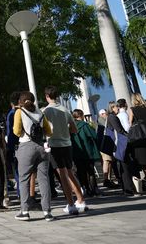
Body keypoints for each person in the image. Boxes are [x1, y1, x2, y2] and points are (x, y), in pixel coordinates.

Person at [43, 86, 87, 214]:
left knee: (63, 176)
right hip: (67, 144)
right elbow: (74, 129)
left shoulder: (46, 111)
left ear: (46, 96)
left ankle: (70, 204)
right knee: (70, 173)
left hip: (54, 145)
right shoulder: (65, 109)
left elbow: (44, 129)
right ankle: (81, 200)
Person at [11, 91, 51, 222]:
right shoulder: (40, 112)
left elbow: (16, 132)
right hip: (41, 147)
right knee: (44, 179)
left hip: (26, 146)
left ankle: (25, 211)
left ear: (20, 101)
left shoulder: (19, 112)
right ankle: (47, 211)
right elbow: (48, 131)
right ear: (33, 100)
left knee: (24, 179)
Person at [71, 109, 100, 197]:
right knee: (90, 172)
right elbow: (93, 135)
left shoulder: (70, 127)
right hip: (87, 152)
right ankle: (94, 189)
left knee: (81, 172)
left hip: (76, 153)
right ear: (81, 115)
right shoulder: (85, 125)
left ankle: (85, 188)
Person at [5, 92, 20, 204]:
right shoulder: (15, 113)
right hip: (17, 145)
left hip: (14, 145)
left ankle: (22, 193)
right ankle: (22, 193)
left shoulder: (11, 114)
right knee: (19, 172)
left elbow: (10, 132)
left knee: (18, 171)